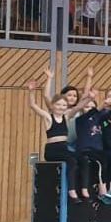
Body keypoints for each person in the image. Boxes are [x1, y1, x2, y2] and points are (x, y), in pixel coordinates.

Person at [27, 70, 86, 201]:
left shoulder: (66, 116)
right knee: (71, 161)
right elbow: (33, 105)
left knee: (83, 159)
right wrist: (32, 91)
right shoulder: (48, 117)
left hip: (64, 148)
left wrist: (90, 98)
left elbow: (78, 107)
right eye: (58, 104)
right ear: (52, 106)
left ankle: (84, 188)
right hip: (53, 150)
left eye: (64, 105)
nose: (61, 107)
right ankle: (71, 191)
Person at [73, 86, 111, 204]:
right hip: (86, 150)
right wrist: (101, 106)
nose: (89, 109)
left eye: (92, 107)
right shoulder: (80, 120)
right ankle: (102, 192)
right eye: (87, 107)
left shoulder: (98, 119)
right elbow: (93, 113)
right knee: (102, 161)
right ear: (82, 109)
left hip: (98, 150)